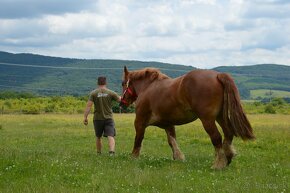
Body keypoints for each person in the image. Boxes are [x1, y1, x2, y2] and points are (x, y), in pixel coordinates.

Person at [83, 76, 121, 155]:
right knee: (111, 136)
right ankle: (111, 153)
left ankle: (99, 153)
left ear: (97, 83)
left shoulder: (93, 93)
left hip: (97, 119)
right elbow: (120, 100)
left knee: (98, 137)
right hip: (109, 118)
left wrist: (85, 117)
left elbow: (89, 106)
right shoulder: (111, 93)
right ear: (106, 83)